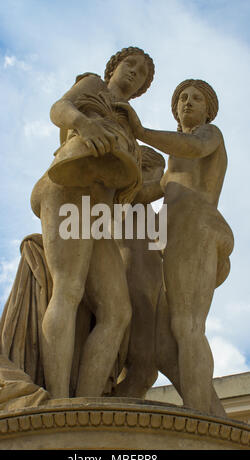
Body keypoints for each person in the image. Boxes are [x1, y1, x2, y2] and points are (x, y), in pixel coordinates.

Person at [30, 47, 155, 399]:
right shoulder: (93, 85)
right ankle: (58, 402)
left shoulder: (130, 123)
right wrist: (84, 123)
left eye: (142, 74)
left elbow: (135, 188)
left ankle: (85, 404)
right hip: (70, 187)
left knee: (118, 311)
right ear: (113, 68)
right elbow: (59, 109)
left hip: (100, 212)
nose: (135, 73)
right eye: (130, 65)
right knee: (68, 289)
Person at [118, 79, 234, 417]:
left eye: (197, 98)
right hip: (177, 244)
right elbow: (139, 194)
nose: (188, 102)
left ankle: (201, 424)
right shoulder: (171, 172)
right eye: (182, 98)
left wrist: (138, 130)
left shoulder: (210, 135)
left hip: (198, 227)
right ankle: (216, 417)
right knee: (167, 348)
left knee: (187, 327)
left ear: (208, 110)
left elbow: (193, 148)